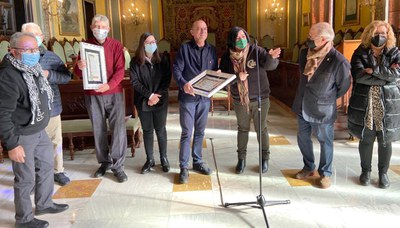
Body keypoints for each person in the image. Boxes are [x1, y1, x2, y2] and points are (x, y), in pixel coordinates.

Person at [0, 32, 69, 228]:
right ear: (13, 52)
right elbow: (2, 114)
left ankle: (44, 204)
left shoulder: (34, 68)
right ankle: (24, 219)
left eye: (35, 49)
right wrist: (12, 144)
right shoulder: (8, 76)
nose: (33, 53)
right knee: (25, 178)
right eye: (27, 50)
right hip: (22, 134)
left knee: (47, 167)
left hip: (39, 130)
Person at [292, 22, 351, 189]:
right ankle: (308, 166)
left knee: (325, 141)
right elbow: (304, 80)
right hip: (302, 105)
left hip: (322, 109)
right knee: (303, 139)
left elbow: (343, 87)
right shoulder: (304, 54)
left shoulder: (339, 61)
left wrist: (326, 98)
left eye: (311, 37)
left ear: (324, 39)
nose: (308, 39)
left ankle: (325, 173)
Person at [219, 26, 280, 174]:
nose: (242, 40)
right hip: (240, 100)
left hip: (260, 98)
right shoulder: (227, 57)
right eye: (238, 38)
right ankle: (241, 159)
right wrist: (236, 78)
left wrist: (271, 58)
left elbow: (270, 66)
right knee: (243, 129)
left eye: (243, 36)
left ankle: (265, 159)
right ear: (232, 41)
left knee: (262, 129)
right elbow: (224, 81)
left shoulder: (256, 51)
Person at [74, 14, 128, 183]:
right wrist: (79, 66)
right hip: (93, 94)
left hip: (114, 92)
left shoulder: (116, 46)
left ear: (108, 29)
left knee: (118, 129)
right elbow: (77, 73)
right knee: (98, 129)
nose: (100, 29)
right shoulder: (84, 46)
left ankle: (118, 166)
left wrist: (109, 85)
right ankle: (104, 163)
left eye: (103, 27)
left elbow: (120, 71)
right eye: (96, 26)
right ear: (91, 27)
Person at [348, 20, 400, 189]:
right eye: (377, 33)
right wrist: (386, 75)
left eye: (383, 33)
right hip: (365, 101)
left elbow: (397, 75)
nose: (380, 37)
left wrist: (374, 71)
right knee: (366, 138)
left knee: (385, 140)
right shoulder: (359, 52)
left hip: (388, 103)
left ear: (388, 35)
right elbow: (359, 76)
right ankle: (366, 171)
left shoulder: (395, 52)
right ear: (369, 34)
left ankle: (383, 173)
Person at [21, 22, 72, 186]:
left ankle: (58, 171)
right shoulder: (18, 58)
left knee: (55, 142)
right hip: (28, 110)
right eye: (29, 35)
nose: (34, 38)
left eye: (36, 35)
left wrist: (48, 74)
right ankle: (35, 176)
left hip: (52, 107)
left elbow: (66, 77)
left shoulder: (51, 56)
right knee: (32, 145)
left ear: (42, 37)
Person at [173, 19, 218, 184]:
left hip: (204, 98)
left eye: (205, 29)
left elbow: (211, 72)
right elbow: (177, 69)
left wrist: (216, 75)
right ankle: (184, 167)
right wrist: (183, 84)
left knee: (200, 132)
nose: (203, 31)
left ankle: (197, 162)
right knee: (187, 133)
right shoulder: (184, 49)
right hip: (188, 98)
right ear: (192, 32)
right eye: (199, 29)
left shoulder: (211, 50)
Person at [130, 33, 171, 174]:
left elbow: (167, 80)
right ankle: (150, 160)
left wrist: (156, 96)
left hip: (160, 100)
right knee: (147, 131)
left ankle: (164, 158)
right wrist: (149, 95)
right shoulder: (135, 61)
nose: (151, 44)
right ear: (142, 45)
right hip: (143, 101)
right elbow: (135, 82)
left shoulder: (163, 59)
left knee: (160, 130)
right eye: (148, 42)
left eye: (153, 42)